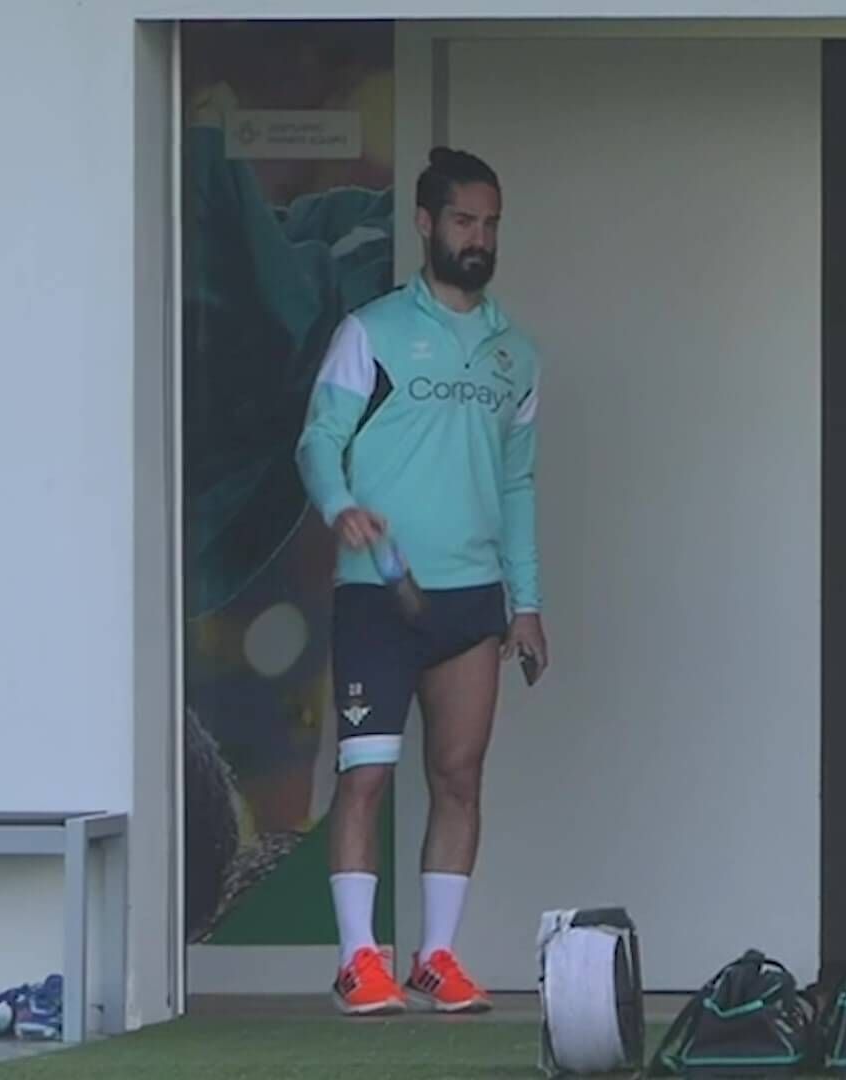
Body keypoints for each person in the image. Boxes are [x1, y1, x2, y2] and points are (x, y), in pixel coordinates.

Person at [295, 146, 548, 1015]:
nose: (478, 238)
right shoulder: (370, 332)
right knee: (364, 776)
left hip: (474, 601)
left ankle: (436, 956)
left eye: (491, 224)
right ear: (426, 224)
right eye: (464, 221)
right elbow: (318, 441)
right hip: (377, 595)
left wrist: (529, 603)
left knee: (459, 777)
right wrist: (340, 508)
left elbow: (518, 485)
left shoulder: (517, 354)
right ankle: (357, 958)